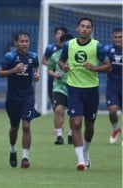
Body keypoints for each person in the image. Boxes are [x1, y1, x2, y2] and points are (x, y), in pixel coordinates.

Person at [59, 17, 112, 171]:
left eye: (88, 27)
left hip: (91, 90)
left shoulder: (97, 46)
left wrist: (94, 68)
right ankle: (81, 161)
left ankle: (86, 151)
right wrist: (64, 66)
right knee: (76, 123)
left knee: (89, 125)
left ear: (91, 30)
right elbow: (62, 61)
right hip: (74, 88)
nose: (84, 29)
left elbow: (108, 67)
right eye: (82, 26)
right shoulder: (69, 45)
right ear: (77, 28)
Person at [0, 31, 40, 169]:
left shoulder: (33, 56)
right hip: (13, 98)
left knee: (26, 126)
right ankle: (13, 150)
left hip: (28, 97)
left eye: (27, 41)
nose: (25, 44)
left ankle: (25, 158)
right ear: (16, 43)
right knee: (14, 128)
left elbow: (36, 66)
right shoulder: (10, 57)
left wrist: (37, 73)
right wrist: (13, 70)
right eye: (22, 41)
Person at [47, 33, 74, 145]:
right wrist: (54, 75)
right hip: (59, 87)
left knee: (74, 113)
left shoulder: (76, 56)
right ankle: (59, 136)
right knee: (58, 109)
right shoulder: (55, 56)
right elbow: (49, 69)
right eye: (65, 44)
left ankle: (71, 134)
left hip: (74, 86)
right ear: (61, 44)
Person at [104, 28, 122, 144]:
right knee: (112, 110)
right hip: (112, 84)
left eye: (120, 37)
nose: (118, 39)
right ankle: (116, 129)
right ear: (112, 37)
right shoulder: (107, 49)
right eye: (115, 37)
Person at [43, 26, 68, 109]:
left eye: (62, 34)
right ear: (55, 35)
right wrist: (54, 65)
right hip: (53, 78)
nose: (59, 35)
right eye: (58, 33)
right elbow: (43, 60)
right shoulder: (50, 48)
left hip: (68, 78)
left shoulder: (69, 48)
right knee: (56, 104)